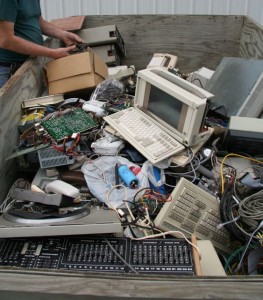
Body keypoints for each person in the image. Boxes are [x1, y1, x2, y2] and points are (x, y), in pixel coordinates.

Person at [0, 0, 84, 88]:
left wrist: (63, 35)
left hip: (26, 62)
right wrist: (52, 53)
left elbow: (38, 21)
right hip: (6, 67)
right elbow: (6, 39)